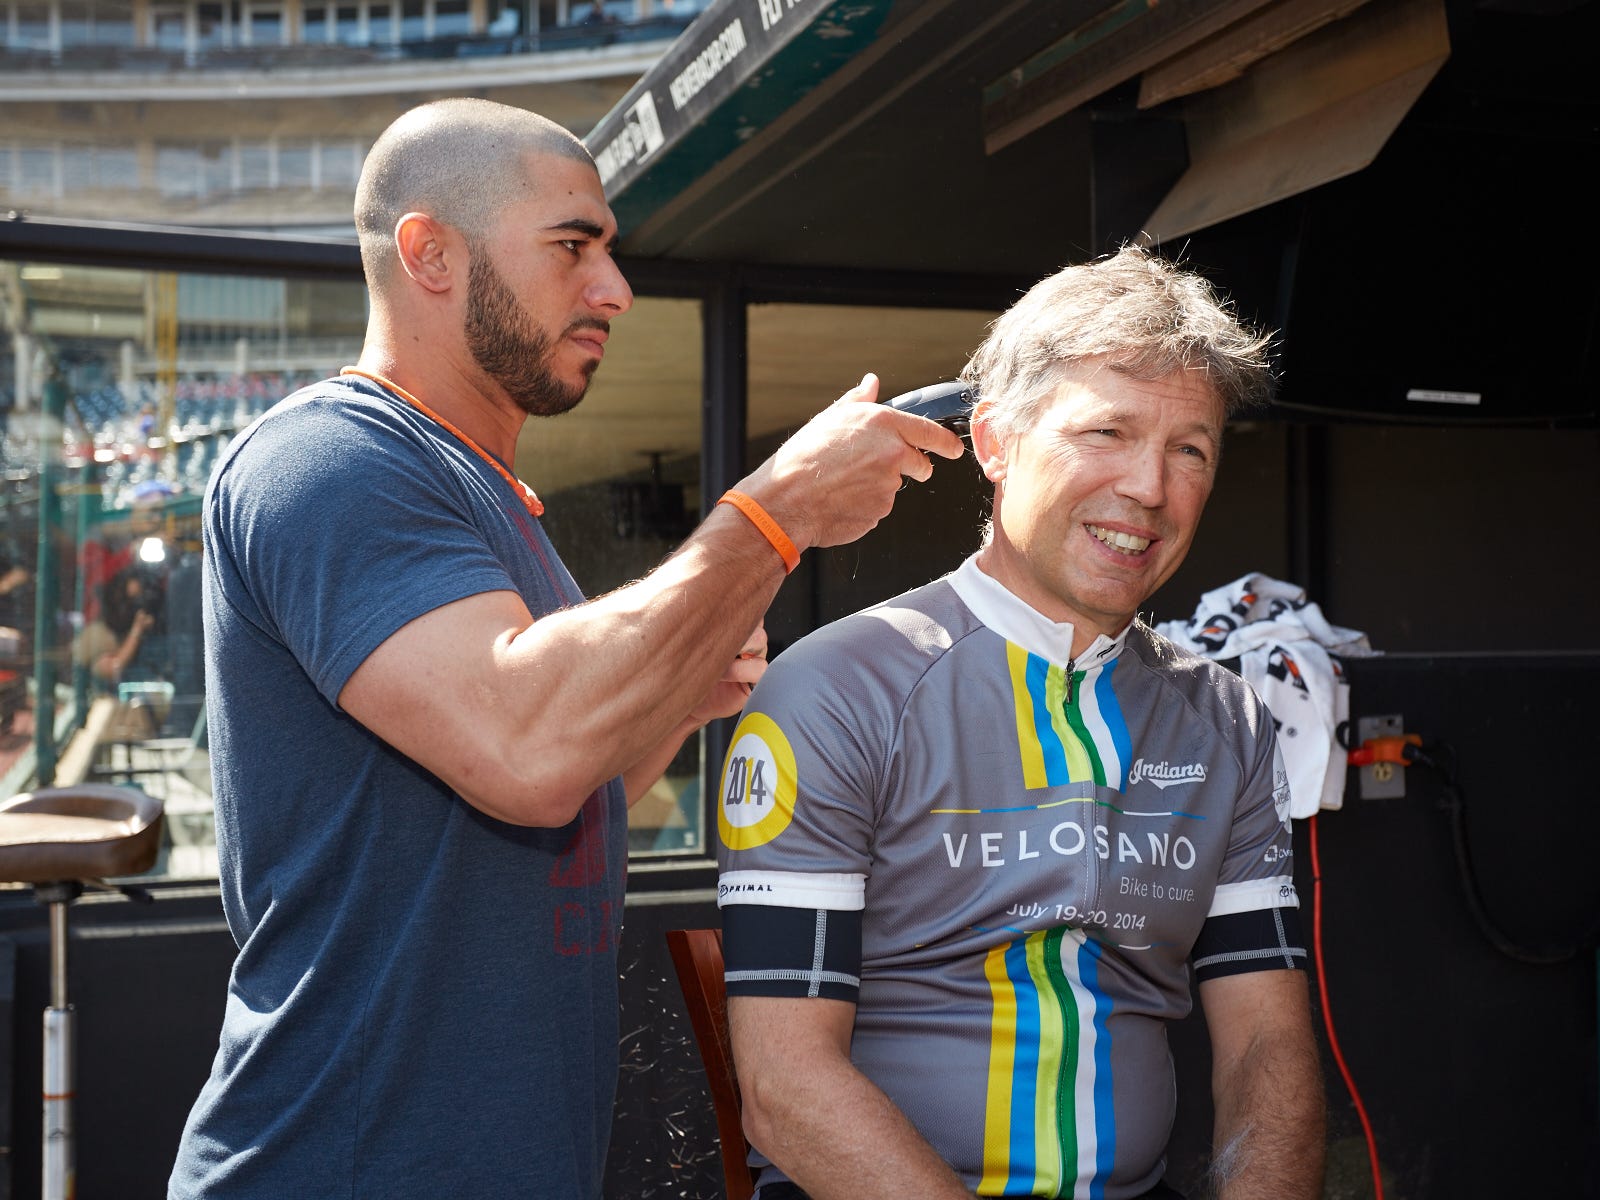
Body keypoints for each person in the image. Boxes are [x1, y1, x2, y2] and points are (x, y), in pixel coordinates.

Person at [168, 97, 961, 1199]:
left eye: (611, 253)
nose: (615, 289)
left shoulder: (494, 504)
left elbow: (579, 780)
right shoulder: (329, 459)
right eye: (572, 247)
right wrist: (774, 512)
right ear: (428, 252)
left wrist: (676, 696)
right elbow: (526, 753)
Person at [716, 246, 1326, 1200]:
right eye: (1108, 433)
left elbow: (1267, 1044)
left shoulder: (1227, 720)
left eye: (1190, 449)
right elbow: (785, 1086)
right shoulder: (837, 687)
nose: (1151, 490)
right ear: (995, 443)